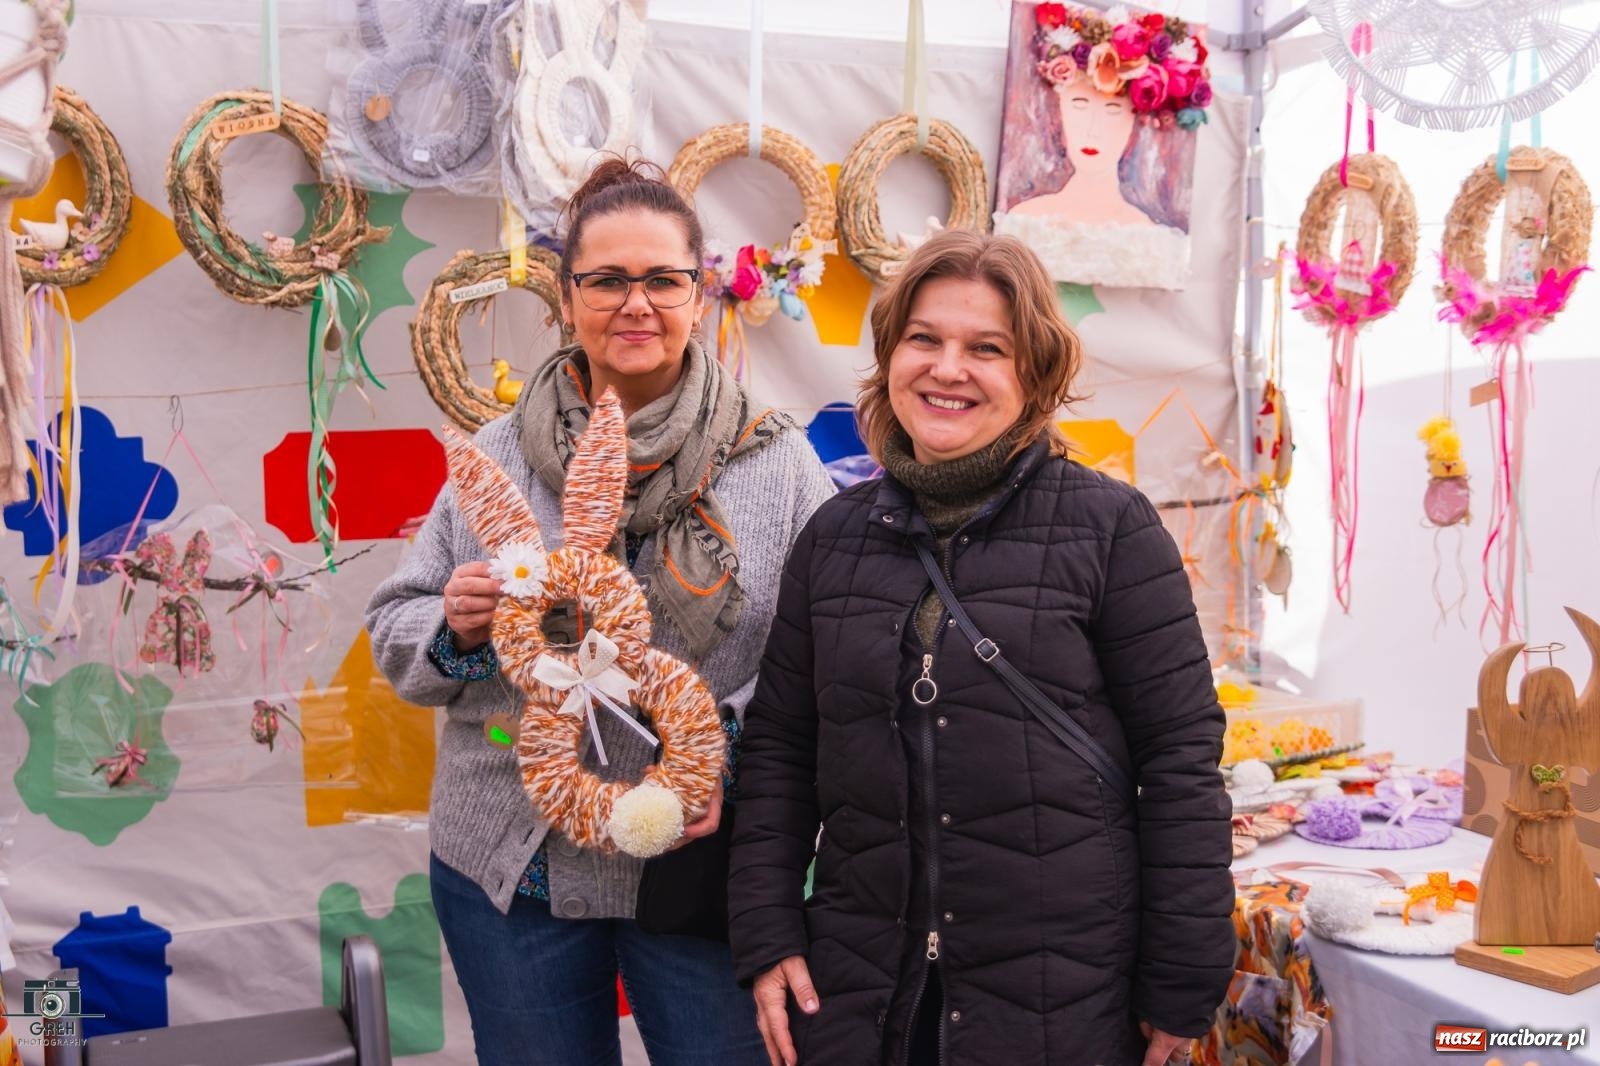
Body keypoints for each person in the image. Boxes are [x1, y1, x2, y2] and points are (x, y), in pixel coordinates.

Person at [366, 155, 835, 1066]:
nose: (636, 304)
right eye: (607, 280)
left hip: (696, 862)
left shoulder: (773, 464)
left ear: (700, 295)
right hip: (513, 864)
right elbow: (397, 624)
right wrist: (456, 628)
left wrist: (719, 748)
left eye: (662, 279)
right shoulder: (498, 455)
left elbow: (821, 661)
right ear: (566, 297)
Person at [728, 229, 1234, 1066]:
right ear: (890, 358)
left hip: (1058, 998)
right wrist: (767, 927)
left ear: (1033, 373)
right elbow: (783, 747)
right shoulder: (835, 537)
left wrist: (1182, 977)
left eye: (985, 348)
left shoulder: (1110, 529)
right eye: (923, 339)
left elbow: (1180, 760)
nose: (947, 368)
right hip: (862, 989)